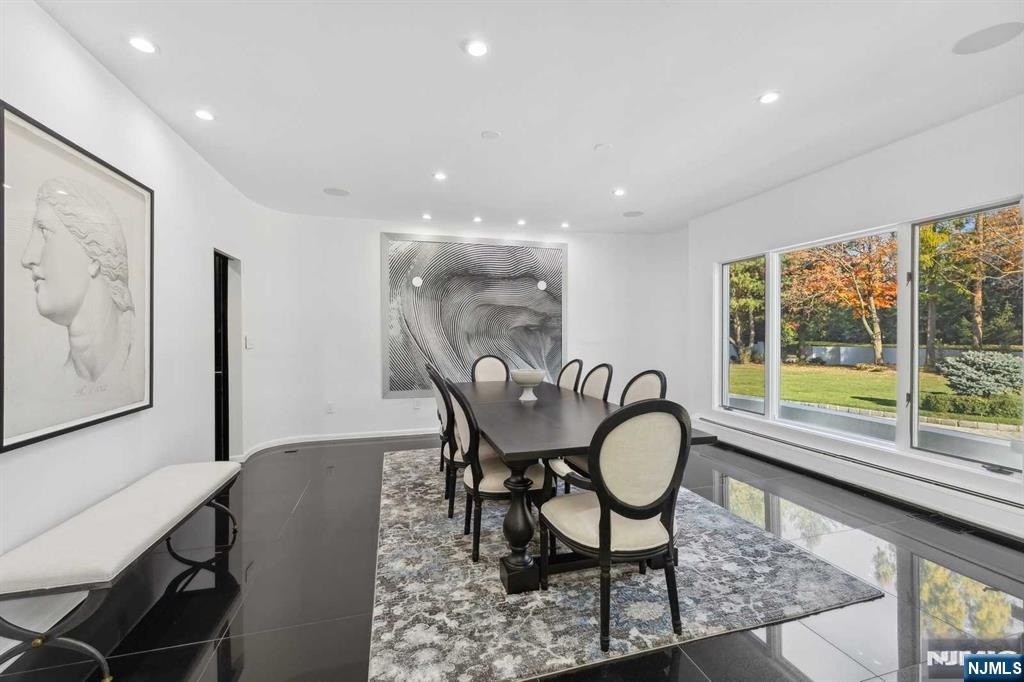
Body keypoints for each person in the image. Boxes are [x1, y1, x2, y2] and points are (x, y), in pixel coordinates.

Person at [19, 177, 134, 382]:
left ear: (93, 258)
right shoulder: (52, 378)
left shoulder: (134, 355)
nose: (27, 258)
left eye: (45, 232)